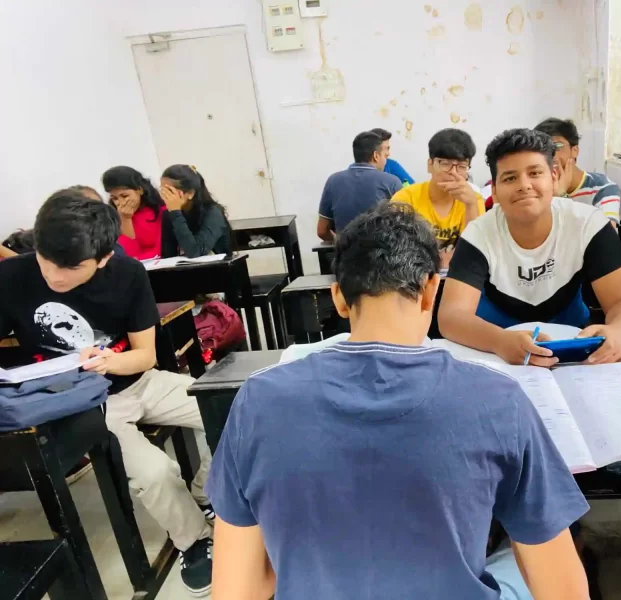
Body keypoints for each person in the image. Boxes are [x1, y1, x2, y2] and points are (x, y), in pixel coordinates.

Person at [206, 202, 589, 599]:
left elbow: (238, 590)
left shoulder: (258, 402)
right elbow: (564, 591)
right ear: (430, 291)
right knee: (521, 552)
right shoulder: (498, 400)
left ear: (339, 299)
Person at [0, 190, 215, 596]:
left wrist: (108, 361)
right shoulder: (12, 277)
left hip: (140, 381)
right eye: (47, 260)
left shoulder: (128, 274)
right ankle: (194, 540)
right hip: (85, 403)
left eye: (71, 267)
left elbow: (145, 356)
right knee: (154, 472)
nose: (55, 276)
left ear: (103, 258)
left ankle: (208, 493)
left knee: (236, 407)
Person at [438, 128, 621, 366]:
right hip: (496, 356)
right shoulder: (478, 234)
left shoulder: (588, 225)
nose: (524, 185)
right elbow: (451, 316)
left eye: (535, 173)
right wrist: (500, 341)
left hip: (576, 353)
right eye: (510, 178)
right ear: (494, 191)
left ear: (554, 178)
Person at [392, 128, 485, 269]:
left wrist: (471, 205)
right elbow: (395, 247)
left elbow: (475, 250)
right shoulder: (406, 198)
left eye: (461, 166)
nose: (453, 172)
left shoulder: (473, 200)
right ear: (430, 165)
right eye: (445, 164)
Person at [317, 131, 402, 242]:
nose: (386, 159)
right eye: (385, 156)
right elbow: (403, 229)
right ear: (376, 156)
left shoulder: (333, 181)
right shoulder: (392, 182)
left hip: (345, 251)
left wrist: (341, 244)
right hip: (382, 250)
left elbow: (322, 231)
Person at [534, 118, 621, 226]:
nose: (549, 155)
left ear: (574, 151)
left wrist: (561, 197)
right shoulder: (537, 187)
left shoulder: (602, 187)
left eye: (556, 146)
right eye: (542, 149)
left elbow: (608, 233)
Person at [160, 164, 232, 258]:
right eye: (162, 190)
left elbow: (195, 252)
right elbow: (168, 255)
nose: (165, 196)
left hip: (219, 265)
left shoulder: (213, 213)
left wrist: (176, 212)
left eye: (169, 191)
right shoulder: (169, 214)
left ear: (190, 193)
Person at [102, 166, 165, 260]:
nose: (120, 203)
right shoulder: (113, 218)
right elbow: (129, 255)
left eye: (124, 196)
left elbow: (163, 250)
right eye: (114, 198)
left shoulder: (161, 211)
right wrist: (125, 220)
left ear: (140, 190)